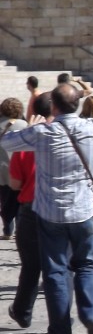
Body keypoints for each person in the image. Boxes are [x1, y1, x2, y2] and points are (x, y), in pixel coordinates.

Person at [1, 83, 93, 334]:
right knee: (87, 264)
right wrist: (90, 103)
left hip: (50, 212)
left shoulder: (43, 133)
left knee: (56, 271)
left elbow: (6, 142)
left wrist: (22, 124)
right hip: (83, 210)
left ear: (53, 106)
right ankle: (91, 315)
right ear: (76, 104)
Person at [6, 92, 51, 328]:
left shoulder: (26, 144)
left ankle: (23, 311)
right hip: (59, 209)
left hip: (30, 207)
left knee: (31, 265)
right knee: (58, 266)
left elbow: (14, 184)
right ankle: (61, 317)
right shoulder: (66, 138)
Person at [0, 97, 28, 239]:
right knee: (20, 200)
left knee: (5, 200)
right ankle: (20, 229)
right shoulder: (24, 125)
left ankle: (7, 229)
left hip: (2, 170)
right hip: (20, 169)